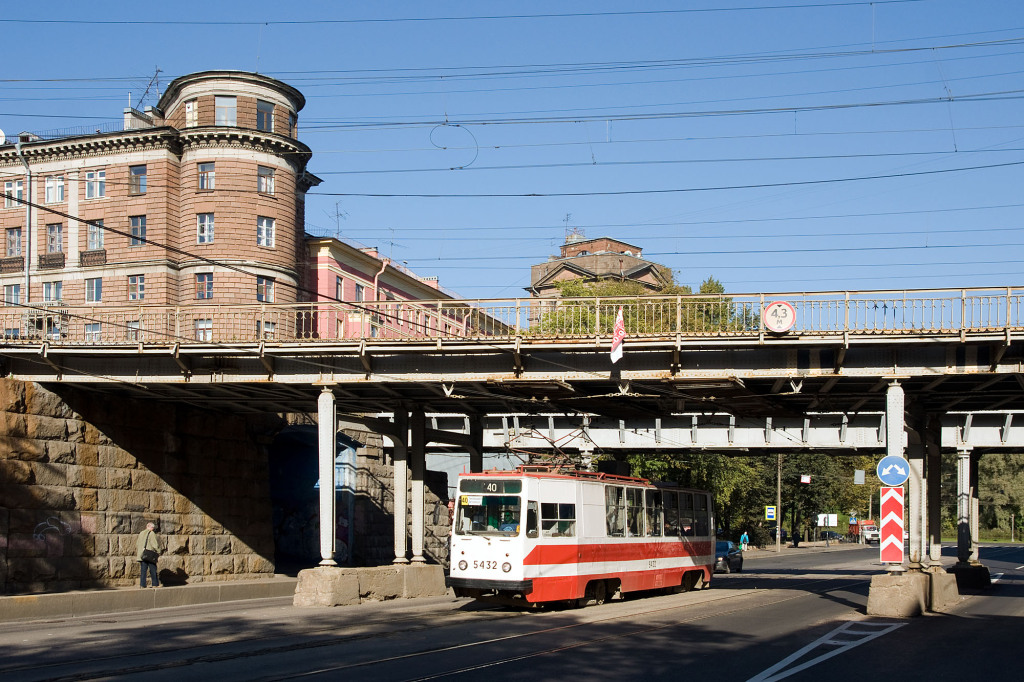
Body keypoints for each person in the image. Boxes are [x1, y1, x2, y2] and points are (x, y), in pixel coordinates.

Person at [136, 521, 161, 588]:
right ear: (150, 527)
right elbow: (154, 544)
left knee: (143, 570)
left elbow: (137, 544)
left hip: (142, 555)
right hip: (149, 555)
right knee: (153, 569)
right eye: (152, 527)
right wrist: (159, 551)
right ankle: (155, 584)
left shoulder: (141, 533)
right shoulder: (151, 533)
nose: (153, 529)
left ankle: (142, 585)